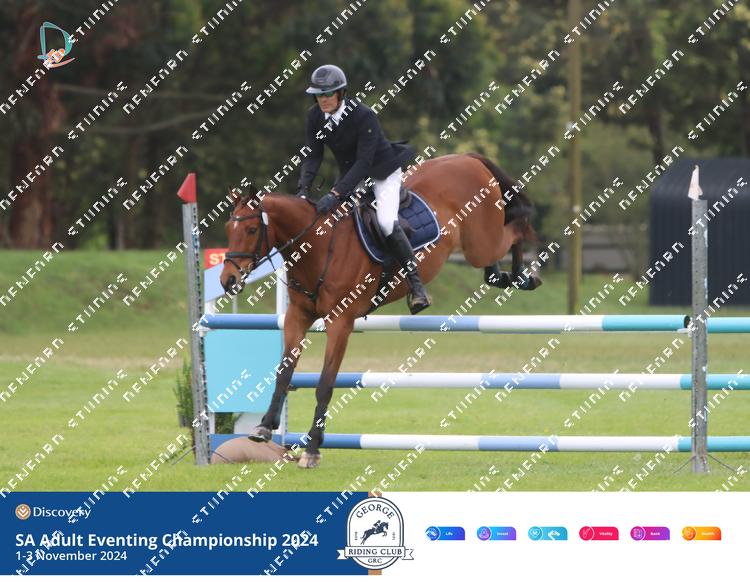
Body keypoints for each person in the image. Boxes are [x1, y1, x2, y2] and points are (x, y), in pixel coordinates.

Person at [296, 64, 431, 314]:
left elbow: (364, 162)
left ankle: (417, 287)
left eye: (328, 94)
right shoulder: (314, 116)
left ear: (341, 93)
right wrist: (303, 190)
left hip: (382, 172)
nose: (323, 99)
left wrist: (336, 193)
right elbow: (313, 156)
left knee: (386, 222)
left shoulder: (363, 115)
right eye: (318, 95)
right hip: (351, 175)